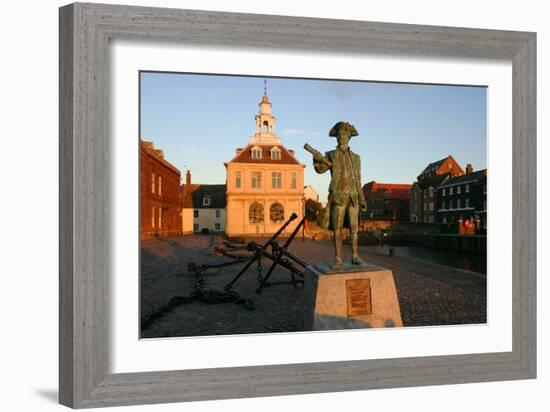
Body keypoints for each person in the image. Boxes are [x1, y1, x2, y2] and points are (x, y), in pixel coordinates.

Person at [312, 121, 367, 267]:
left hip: (353, 196)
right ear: (336, 137)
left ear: (349, 137)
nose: (341, 137)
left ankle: (355, 256)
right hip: (338, 196)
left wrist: (362, 198)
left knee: (354, 230)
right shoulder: (331, 155)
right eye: (339, 134)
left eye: (344, 134)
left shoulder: (356, 158)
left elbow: (358, 179)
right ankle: (337, 258)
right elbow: (320, 169)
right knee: (337, 229)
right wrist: (316, 159)